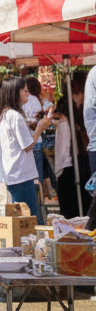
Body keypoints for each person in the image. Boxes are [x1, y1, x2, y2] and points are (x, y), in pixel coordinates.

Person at [0, 78, 53, 217]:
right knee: (29, 218)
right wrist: (40, 128)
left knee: (21, 218)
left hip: (14, 173)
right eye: (24, 90)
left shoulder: (6, 114)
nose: (28, 93)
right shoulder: (15, 116)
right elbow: (28, 146)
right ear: (16, 92)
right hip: (20, 174)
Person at [53, 77, 91, 220]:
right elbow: (64, 148)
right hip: (70, 165)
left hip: (79, 161)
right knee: (73, 206)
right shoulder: (65, 113)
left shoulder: (79, 110)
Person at [24, 75, 56, 204]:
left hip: (29, 143)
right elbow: (50, 113)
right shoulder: (40, 101)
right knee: (38, 178)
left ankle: (36, 205)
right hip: (39, 142)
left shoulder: (27, 100)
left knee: (31, 178)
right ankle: (41, 205)